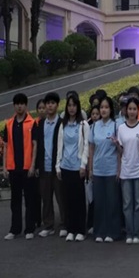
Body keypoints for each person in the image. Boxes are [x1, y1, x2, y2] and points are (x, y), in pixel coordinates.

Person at [2, 93, 38, 240]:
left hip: (27, 167)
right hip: (13, 167)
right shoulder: (9, 124)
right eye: (17, 104)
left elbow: (35, 145)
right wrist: (4, 166)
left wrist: (33, 165)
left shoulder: (32, 123)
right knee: (15, 201)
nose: (19, 106)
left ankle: (29, 229)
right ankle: (15, 229)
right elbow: (5, 146)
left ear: (26, 105)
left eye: (22, 103)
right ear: (14, 106)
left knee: (30, 200)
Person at [55, 94, 90, 242]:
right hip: (65, 166)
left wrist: (83, 165)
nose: (71, 108)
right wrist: (58, 165)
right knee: (67, 200)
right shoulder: (62, 125)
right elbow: (60, 146)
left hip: (77, 167)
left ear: (78, 107)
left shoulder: (83, 125)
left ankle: (80, 229)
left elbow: (86, 146)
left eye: (74, 105)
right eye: (69, 105)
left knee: (79, 200)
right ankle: (70, 229)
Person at [88, 97, 121, 243]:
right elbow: (91, 148)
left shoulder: (116, 126)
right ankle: (99, 231)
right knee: (99, 203)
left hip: (111, 169)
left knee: (112, 203)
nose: (103, 110)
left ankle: (112, 232)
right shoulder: (94, 126)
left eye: (106, 107)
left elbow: (119, 150)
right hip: (98, 170)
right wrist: (90, 168)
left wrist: (119, 169)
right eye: (101, 107)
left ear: (111, 109)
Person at [116, 98, 139, 244]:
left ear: (138, 111)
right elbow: (121, 151)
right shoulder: (121, 128)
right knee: (127, 204)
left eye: (135, 109)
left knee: (138, 203)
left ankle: (138, 233)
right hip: (126, 170)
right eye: (130, 109)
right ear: (126, 111)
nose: (132, 112)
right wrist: (117, 145)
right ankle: (129, 232)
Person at [35, 93, 65, 238]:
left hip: (58, 166)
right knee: (46, 198)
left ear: (57, 105)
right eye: (48, 103)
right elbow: (38, 146)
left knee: (61, 197)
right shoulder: (40, 124)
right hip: (44, 167)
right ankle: (48, 225)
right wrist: (37, 165)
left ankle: (64, 224)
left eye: (53, 103)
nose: (50, 106)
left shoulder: (62, 123)